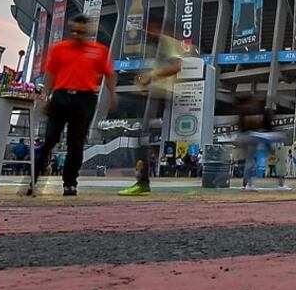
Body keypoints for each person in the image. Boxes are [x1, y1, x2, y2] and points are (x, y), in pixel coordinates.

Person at [29, 15, 117, 197]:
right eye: (74, 31)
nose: (77, 35)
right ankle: (33, 179)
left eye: (81, 32)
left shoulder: (99, 51)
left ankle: (70, 183)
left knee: (75, 144)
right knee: (50, 140)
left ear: (89, 32)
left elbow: (109, 74)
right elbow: (50, 75)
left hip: (84, 99)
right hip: (61, 97)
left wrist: (112, 95)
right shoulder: (59, 49)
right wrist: (45, 97)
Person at [119, 17, 186, 196]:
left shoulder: (169, 42)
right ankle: (142, 180)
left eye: (150, 27)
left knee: (142, 137)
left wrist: (152, 75)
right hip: (155, 92)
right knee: (141, 138)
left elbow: (177, 66)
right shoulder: (156, 46)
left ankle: (142, 182)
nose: (147, 32)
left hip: (161, 94)